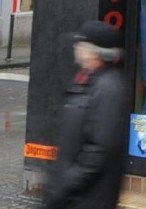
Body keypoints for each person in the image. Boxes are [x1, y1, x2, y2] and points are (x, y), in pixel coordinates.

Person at [41, 21, 129, 209]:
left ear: (93, 51)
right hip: (73, 196)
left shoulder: (109, 88)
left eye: (80, 43)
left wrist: (65, 184)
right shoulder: (86, 81)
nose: (75, 46)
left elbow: (99, 150)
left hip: (87, 199)